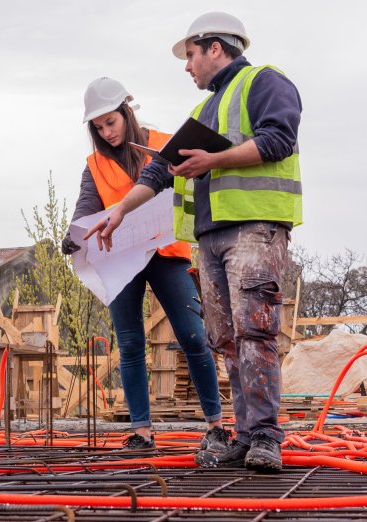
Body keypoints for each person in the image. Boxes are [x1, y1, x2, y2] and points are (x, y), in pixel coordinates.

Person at [83, 12, 302, 471]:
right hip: (212, 237)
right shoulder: (202, 112)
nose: (187, 66)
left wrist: (214, 159)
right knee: (225, 337)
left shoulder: (265, 82)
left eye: (190, 55)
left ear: (215, 48)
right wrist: (121, 210)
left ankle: (264, 436)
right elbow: (161, 170)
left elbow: (279, 138)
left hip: (254, 228)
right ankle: (244, 435)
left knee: (255, 329)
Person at [63, 77, 224, 451]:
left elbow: (195, 183)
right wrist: (73, 235)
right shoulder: (95, 165)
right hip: (120, 258)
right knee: (131, 344)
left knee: (193, 337)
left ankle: (216, 425)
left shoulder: (164, 143)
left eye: (111, 123)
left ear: (127, 112)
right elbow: (87, 204)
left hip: (167, 254)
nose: (106, 132)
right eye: (98, 127)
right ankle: (141, 432)